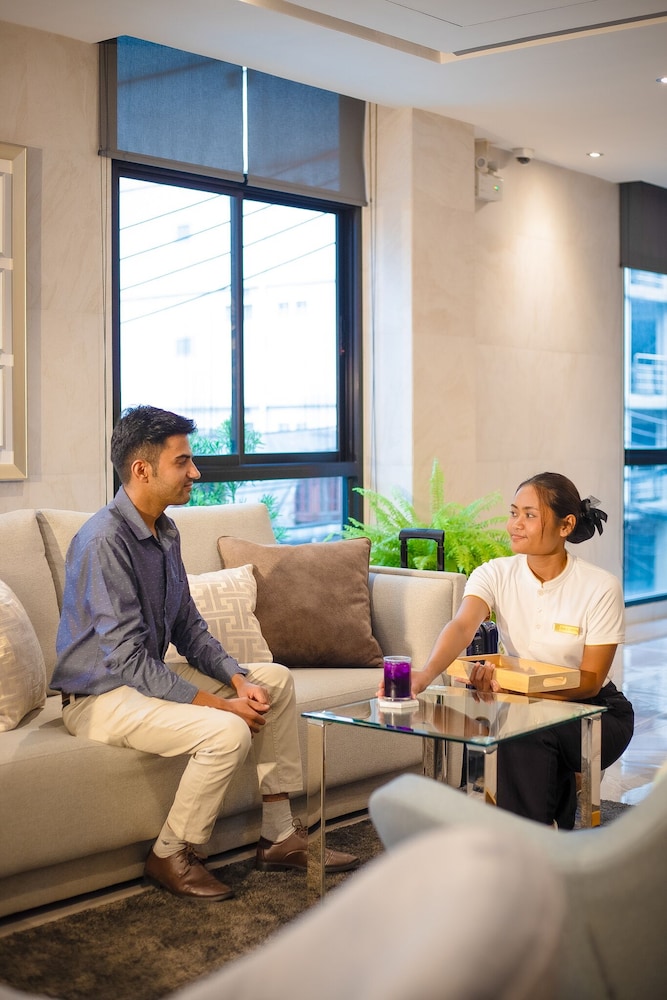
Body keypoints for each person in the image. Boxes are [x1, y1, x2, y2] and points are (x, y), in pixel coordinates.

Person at [51, 405, 357, 901]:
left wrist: (237, 680)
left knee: (273, 681)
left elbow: (188, 628)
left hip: (140, 679)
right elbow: (126, 659)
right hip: (98, 694)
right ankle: (170, 853)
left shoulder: (165, 532)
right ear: (142, 470)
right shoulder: (103, 541)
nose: (195, 472)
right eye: (183, 461)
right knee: (226, 730)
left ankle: (279, 836)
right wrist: (221, 706)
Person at [384, 471, 634, 829]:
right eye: (514, 512)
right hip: (524, 705)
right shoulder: (495, 573)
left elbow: (592, 681)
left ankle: (523, 841)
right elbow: (461, 626)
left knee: (522, 731)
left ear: (566, 525)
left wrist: (518, 691)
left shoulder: (600, 586)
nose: (515, 524)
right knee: (522, 730)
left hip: (596, 710)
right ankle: (542, 835)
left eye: (529, 515)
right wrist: (423, 676)